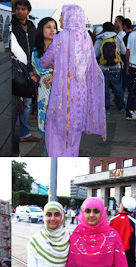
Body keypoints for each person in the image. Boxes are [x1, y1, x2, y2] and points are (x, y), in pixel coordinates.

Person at [40, 5, 106, 157]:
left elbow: (44, 62)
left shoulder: (61, 38)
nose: (60, 19)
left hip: (62, 94)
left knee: (56, 131)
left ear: (69, 16)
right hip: (80, 95)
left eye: (62, 15)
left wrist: (55, 65)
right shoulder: (86, 38)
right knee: (74, 132)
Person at [12, 0, 40, 144]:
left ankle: (24, 133)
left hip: (30, 69)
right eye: (18, 9)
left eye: (23, 9)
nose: (20, 11)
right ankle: (15, 134)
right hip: (16, 68)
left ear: (28, 11)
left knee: (27, 103)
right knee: (15, 103)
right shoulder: (11, 24)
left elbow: (36, 46)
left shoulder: (31, 26)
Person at [31, 17, 57, 153]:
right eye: (48, 27)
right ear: (41, 29)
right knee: (46, 130)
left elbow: (69, 70)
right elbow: (37, 70)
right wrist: (34, 75)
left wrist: (55, 76)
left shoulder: (61, 48)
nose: (52, 30)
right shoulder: (36, 50)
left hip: (60, 93)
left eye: (54, 27)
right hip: (44, 95)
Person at [97, 22, 126, 115]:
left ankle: (106, 109)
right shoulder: (117, 38)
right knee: (118, 88)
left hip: (103, 68)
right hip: (116, 68)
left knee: (104, 90)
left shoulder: (100, 39)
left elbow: (95, 53)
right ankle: (121, 108)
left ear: (104, 29)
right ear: (113, 29)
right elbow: (124, 51)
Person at [126, 28, 136, 120]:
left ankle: (129, 111)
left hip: (133, 65)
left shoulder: (132, 35)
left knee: (132, 90)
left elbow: (127, 52)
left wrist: (127, 66)